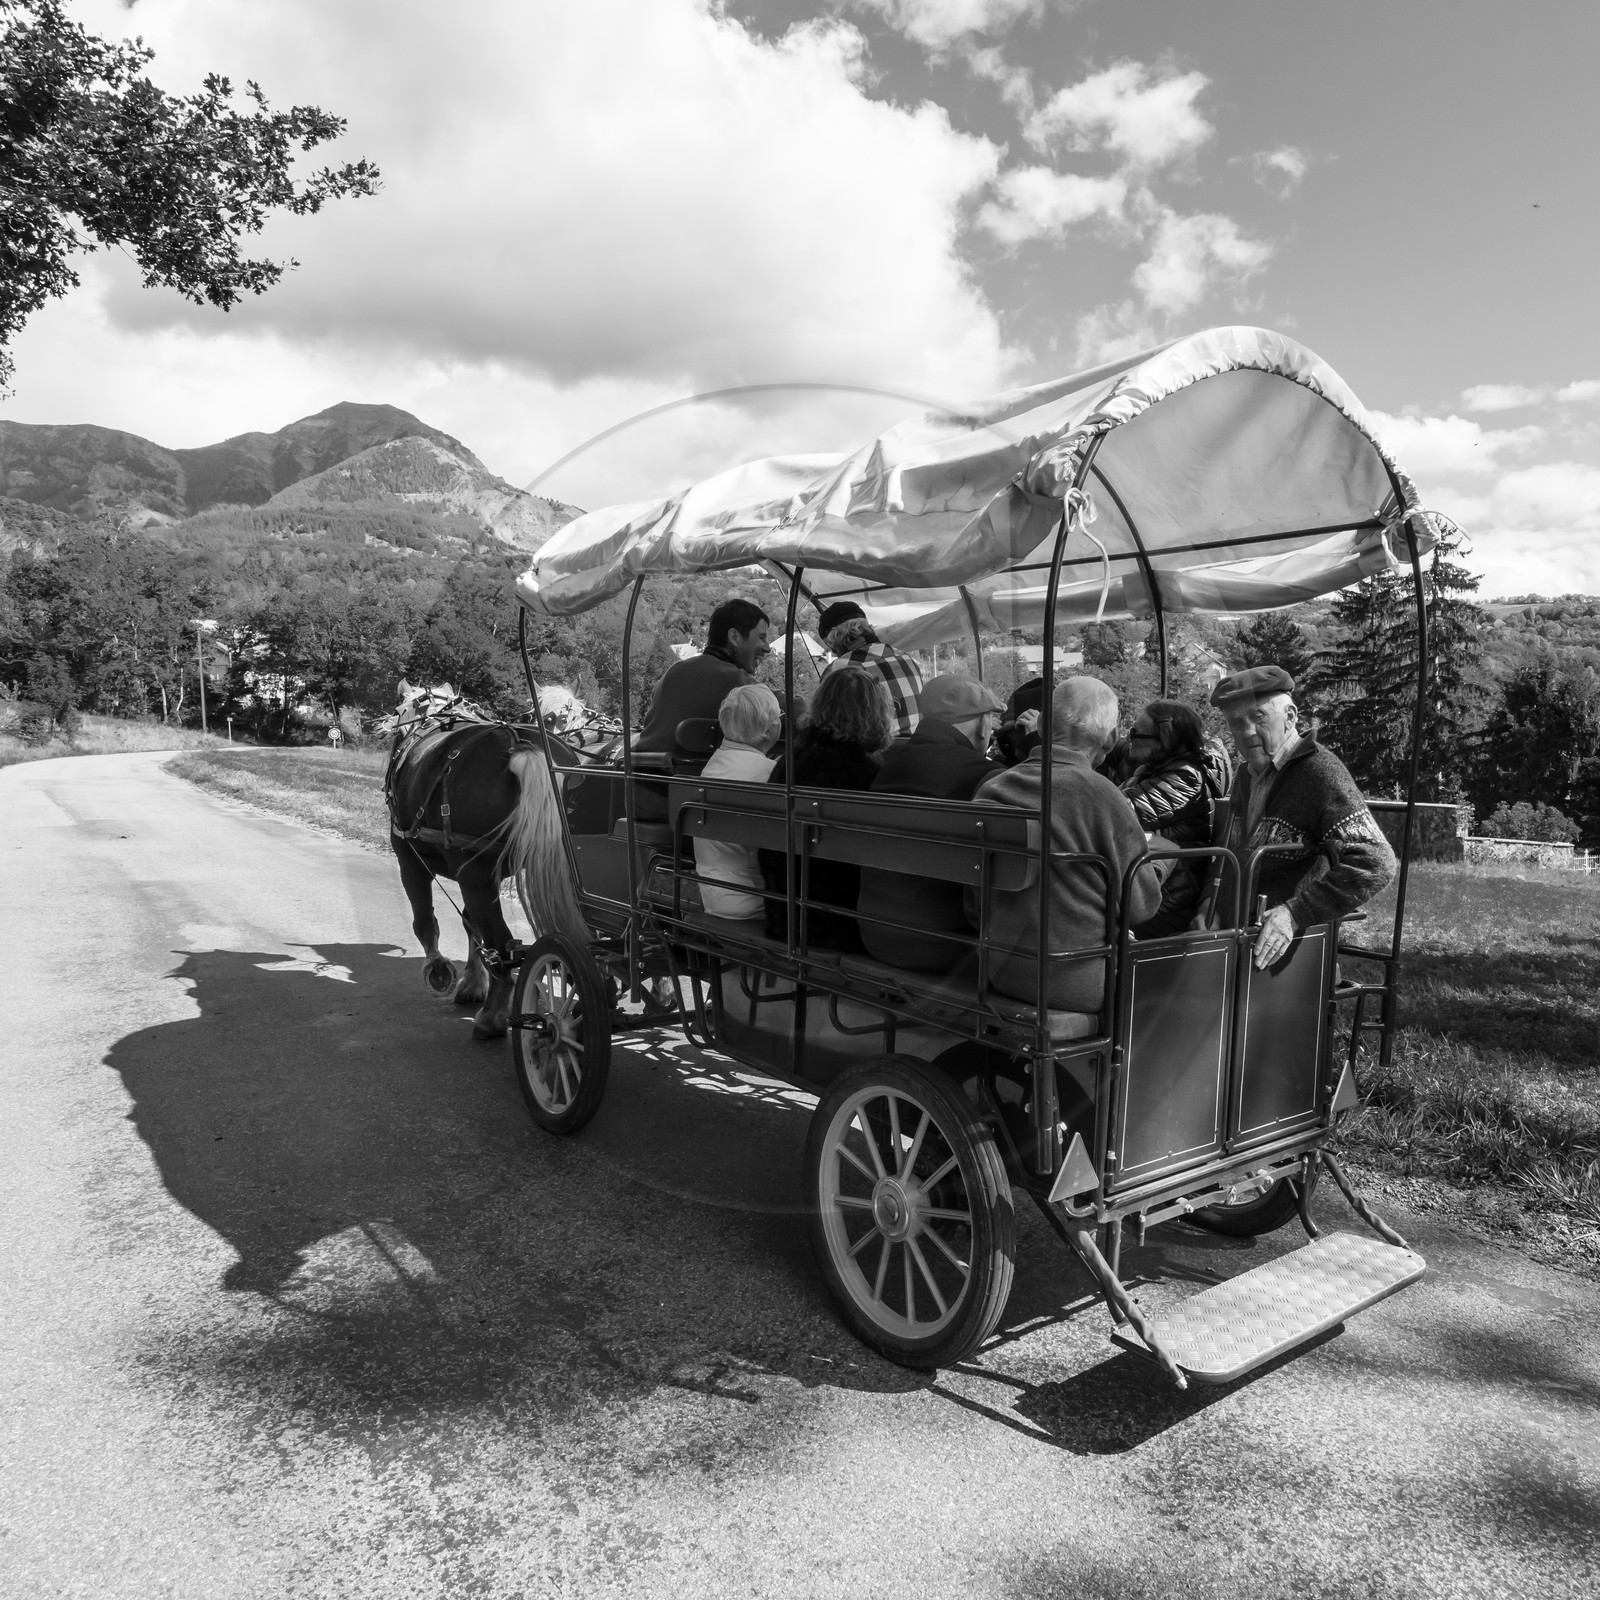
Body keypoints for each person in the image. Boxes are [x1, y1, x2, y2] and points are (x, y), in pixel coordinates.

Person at [974, 677, 1172, 1014]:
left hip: (1001, 971)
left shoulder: (993, 789)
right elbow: (1142, 907)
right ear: (1111, 738)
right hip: (1080, 983)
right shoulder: (1102, 795)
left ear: (1042, 727)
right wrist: (1161, 865)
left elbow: (973, 902)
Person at [1208, 665, 1396, 969]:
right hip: (1237, 941)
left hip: (1287, 956)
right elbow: (1230, 851)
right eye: (1236, 722)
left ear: (1291, 717)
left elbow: (1376, 860)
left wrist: (1295, 913)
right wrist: (1210, 905)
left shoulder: (1319, 771)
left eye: (1259, 717)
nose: (1247, 732)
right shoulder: (1245, 774)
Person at [857, 674, 1008, 971]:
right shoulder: (985, 777)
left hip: (875, 934)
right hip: (944, 946)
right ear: (981, 725)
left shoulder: (886, 765)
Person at [759, 664, 893, 950]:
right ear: (875, 713)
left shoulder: (788, 762)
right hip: (837, 926)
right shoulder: (866, 775)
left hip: (783, 917)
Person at [1120, 699, 1229, 937]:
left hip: (1171, 891)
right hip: (1154, 878)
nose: (1129, 739)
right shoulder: (1151, 769)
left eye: (1135, 733)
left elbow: (1122, 812)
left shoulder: (1186, 776)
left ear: (1165, 739)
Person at [634, 597, 771, 754]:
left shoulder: (673, 672)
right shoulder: (733, 679)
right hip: (690, 769)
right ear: (734, 637)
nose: (767, 648)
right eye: (762, 637)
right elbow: (781, 710)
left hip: (642, 766)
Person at [694, 684, 782, 919]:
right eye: (779, 716)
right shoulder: (769, 772)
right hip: (756, 899)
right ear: (768, 731)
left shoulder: (712, 765)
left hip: (713, 896)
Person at [816, 599, 923, 739]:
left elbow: (829, 727)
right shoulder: (907, 659)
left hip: (876, 751)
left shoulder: (840, 669)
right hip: (915, 746)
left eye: (828, 644)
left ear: (834, 638)